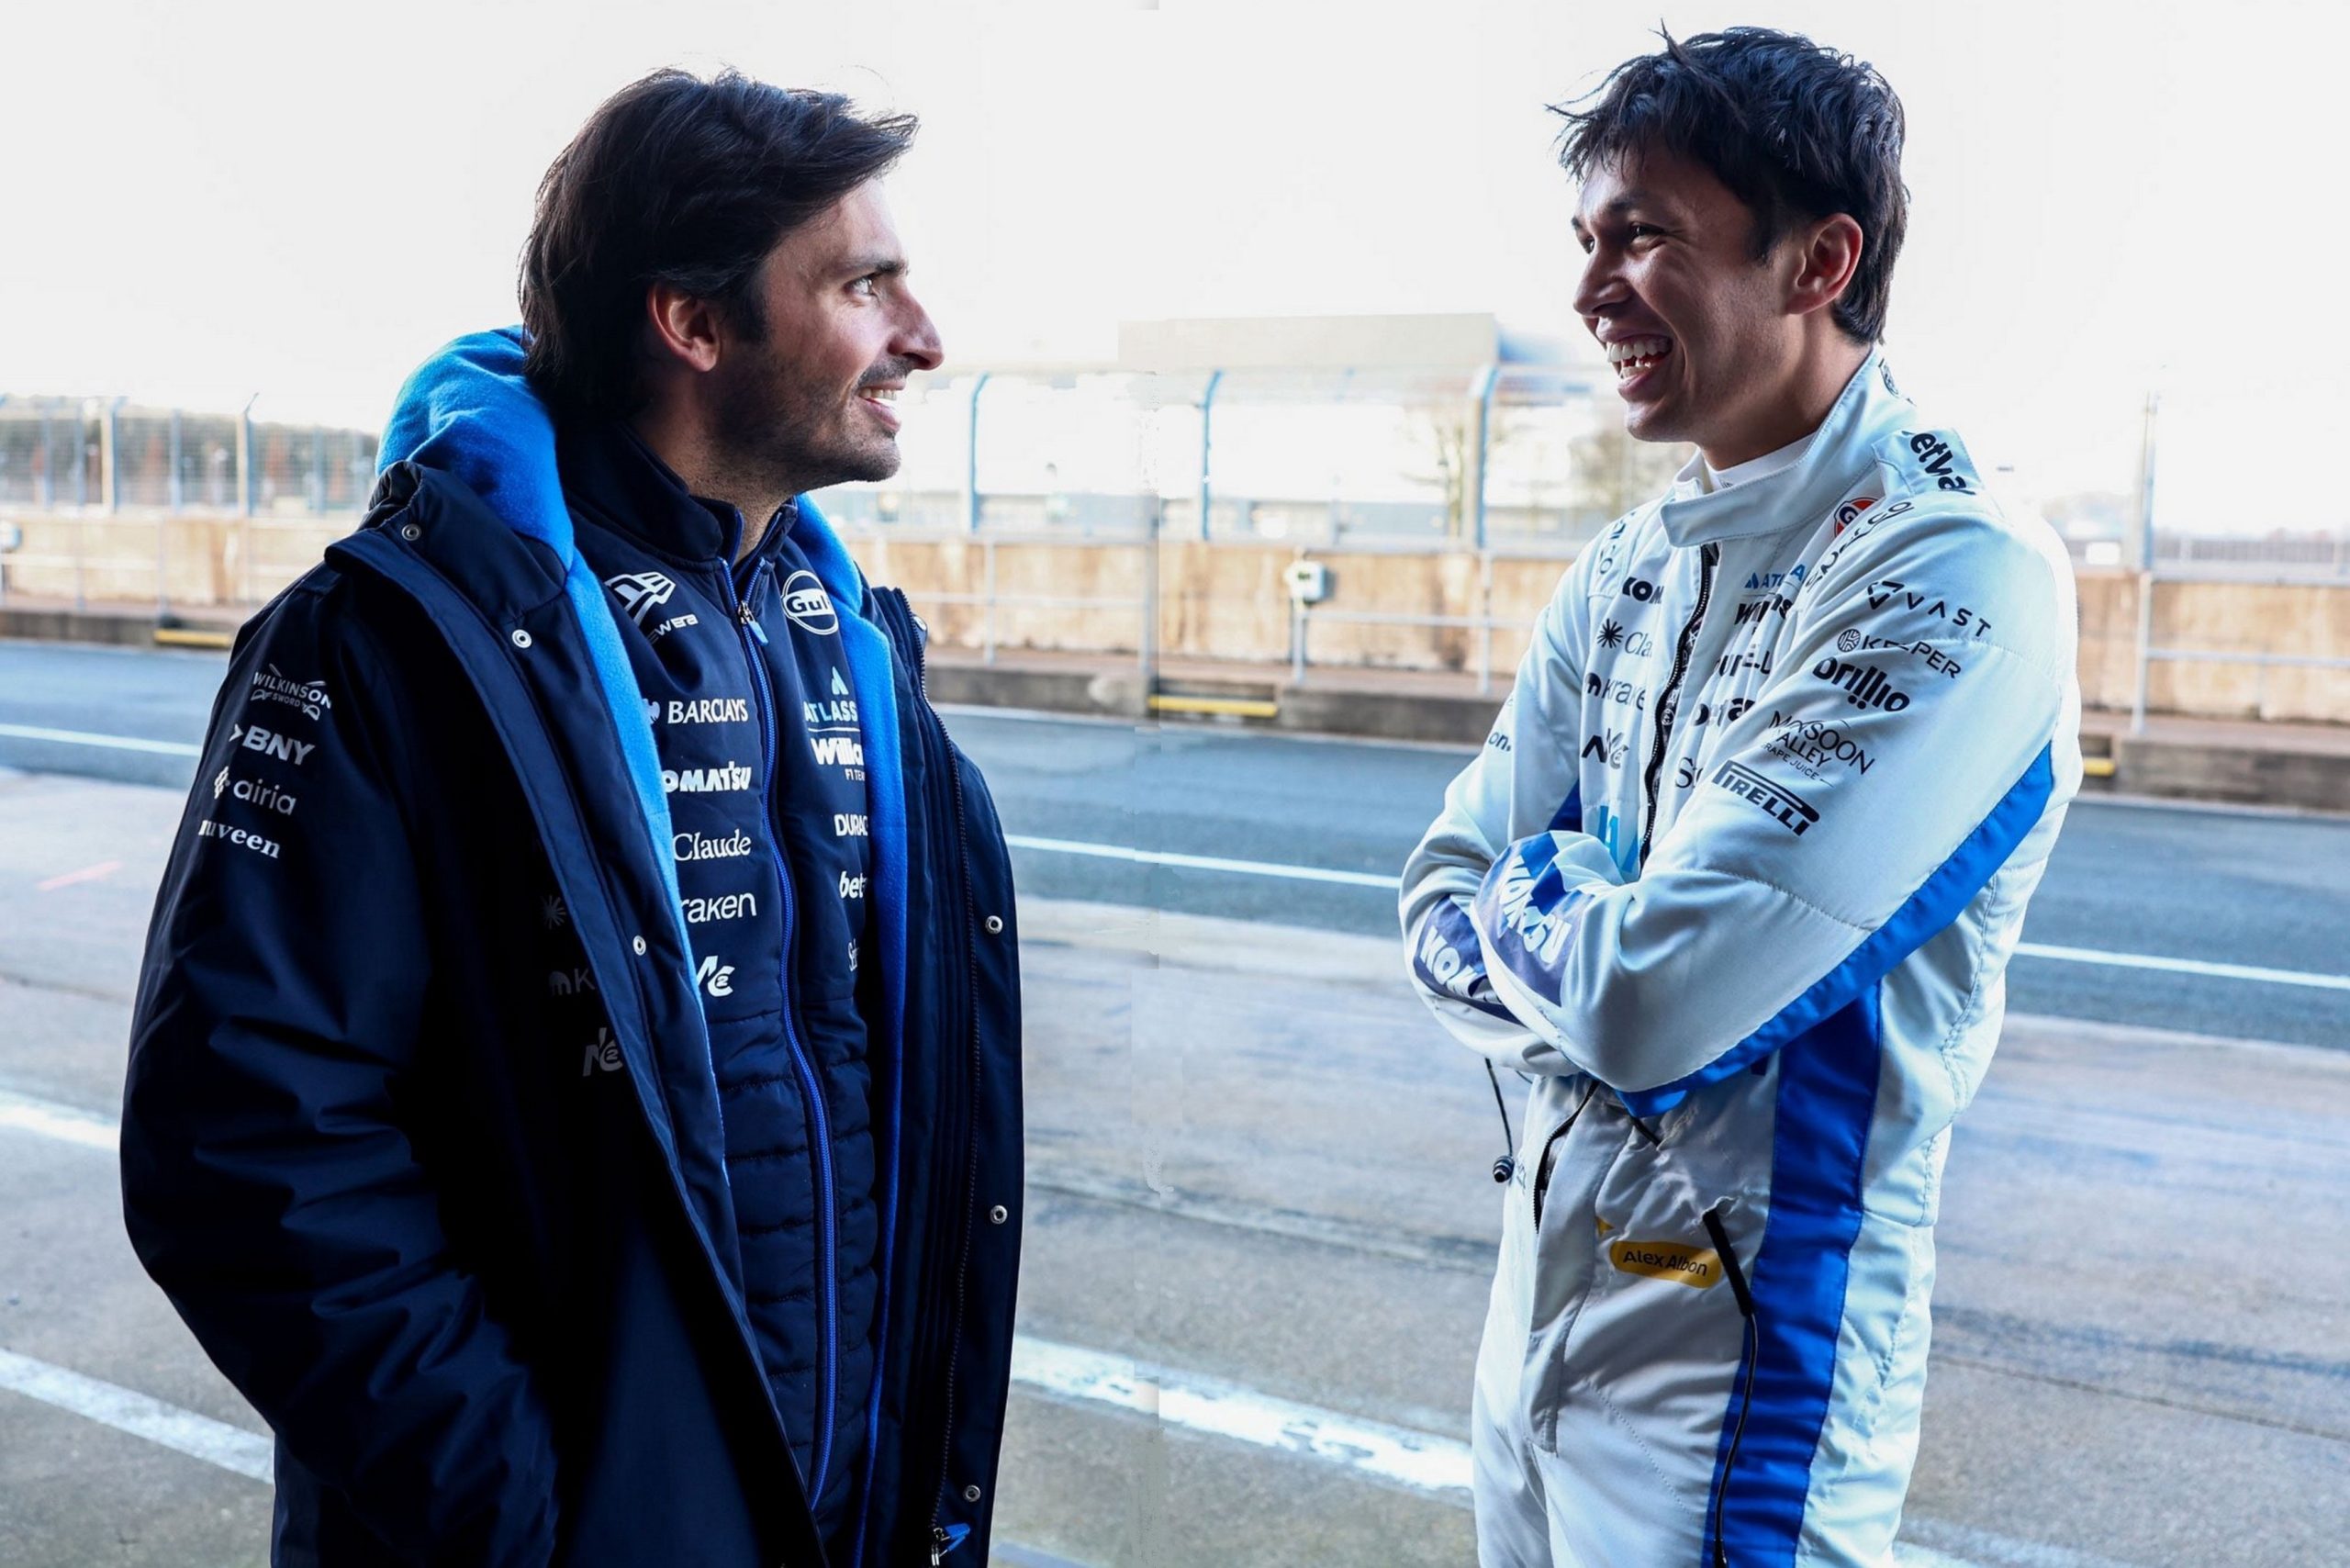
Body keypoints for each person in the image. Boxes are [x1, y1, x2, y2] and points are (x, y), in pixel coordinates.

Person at [120, 69, 1023, 1568]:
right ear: (694, 321)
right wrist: (547, 1527)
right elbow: (245, 1143)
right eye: (868, 287)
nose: (924, 339)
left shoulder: (840, 633)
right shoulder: (387, 641)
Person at [1399, 28, 2081, 1567]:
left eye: (1642, 235)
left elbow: (1654, 1004)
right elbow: (1428, 897)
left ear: (1818, 260)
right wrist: (1570, 914)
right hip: (1539, 1310)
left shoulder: (1950, 562)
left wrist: (1545, 901)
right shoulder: (1629, 562)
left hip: (1748, 1363)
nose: (1589, 291)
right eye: (1587, 240)